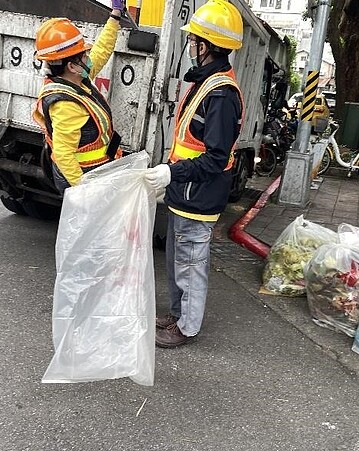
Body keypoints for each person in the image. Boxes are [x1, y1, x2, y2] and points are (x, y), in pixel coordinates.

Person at [144, 0, 245, 348]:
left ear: (206, 46)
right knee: (177, 260)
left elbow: (215, 158)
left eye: (193, 41)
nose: (189, 46)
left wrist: (172, 174)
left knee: (189, 264)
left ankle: (186, 327)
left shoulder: (221, 95)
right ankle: (177, 313)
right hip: (185, 193)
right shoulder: (207, 83)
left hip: (197, 196)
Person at [32, 1, 125, 194]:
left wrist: (115, 15)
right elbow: (64, 154)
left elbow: (102, 50)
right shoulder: (66, 104)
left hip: (95, 172)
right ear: (72, 66)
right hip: (84, 177)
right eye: (84, 55)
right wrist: (83, 190)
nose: (89, 58)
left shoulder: (76, 81)